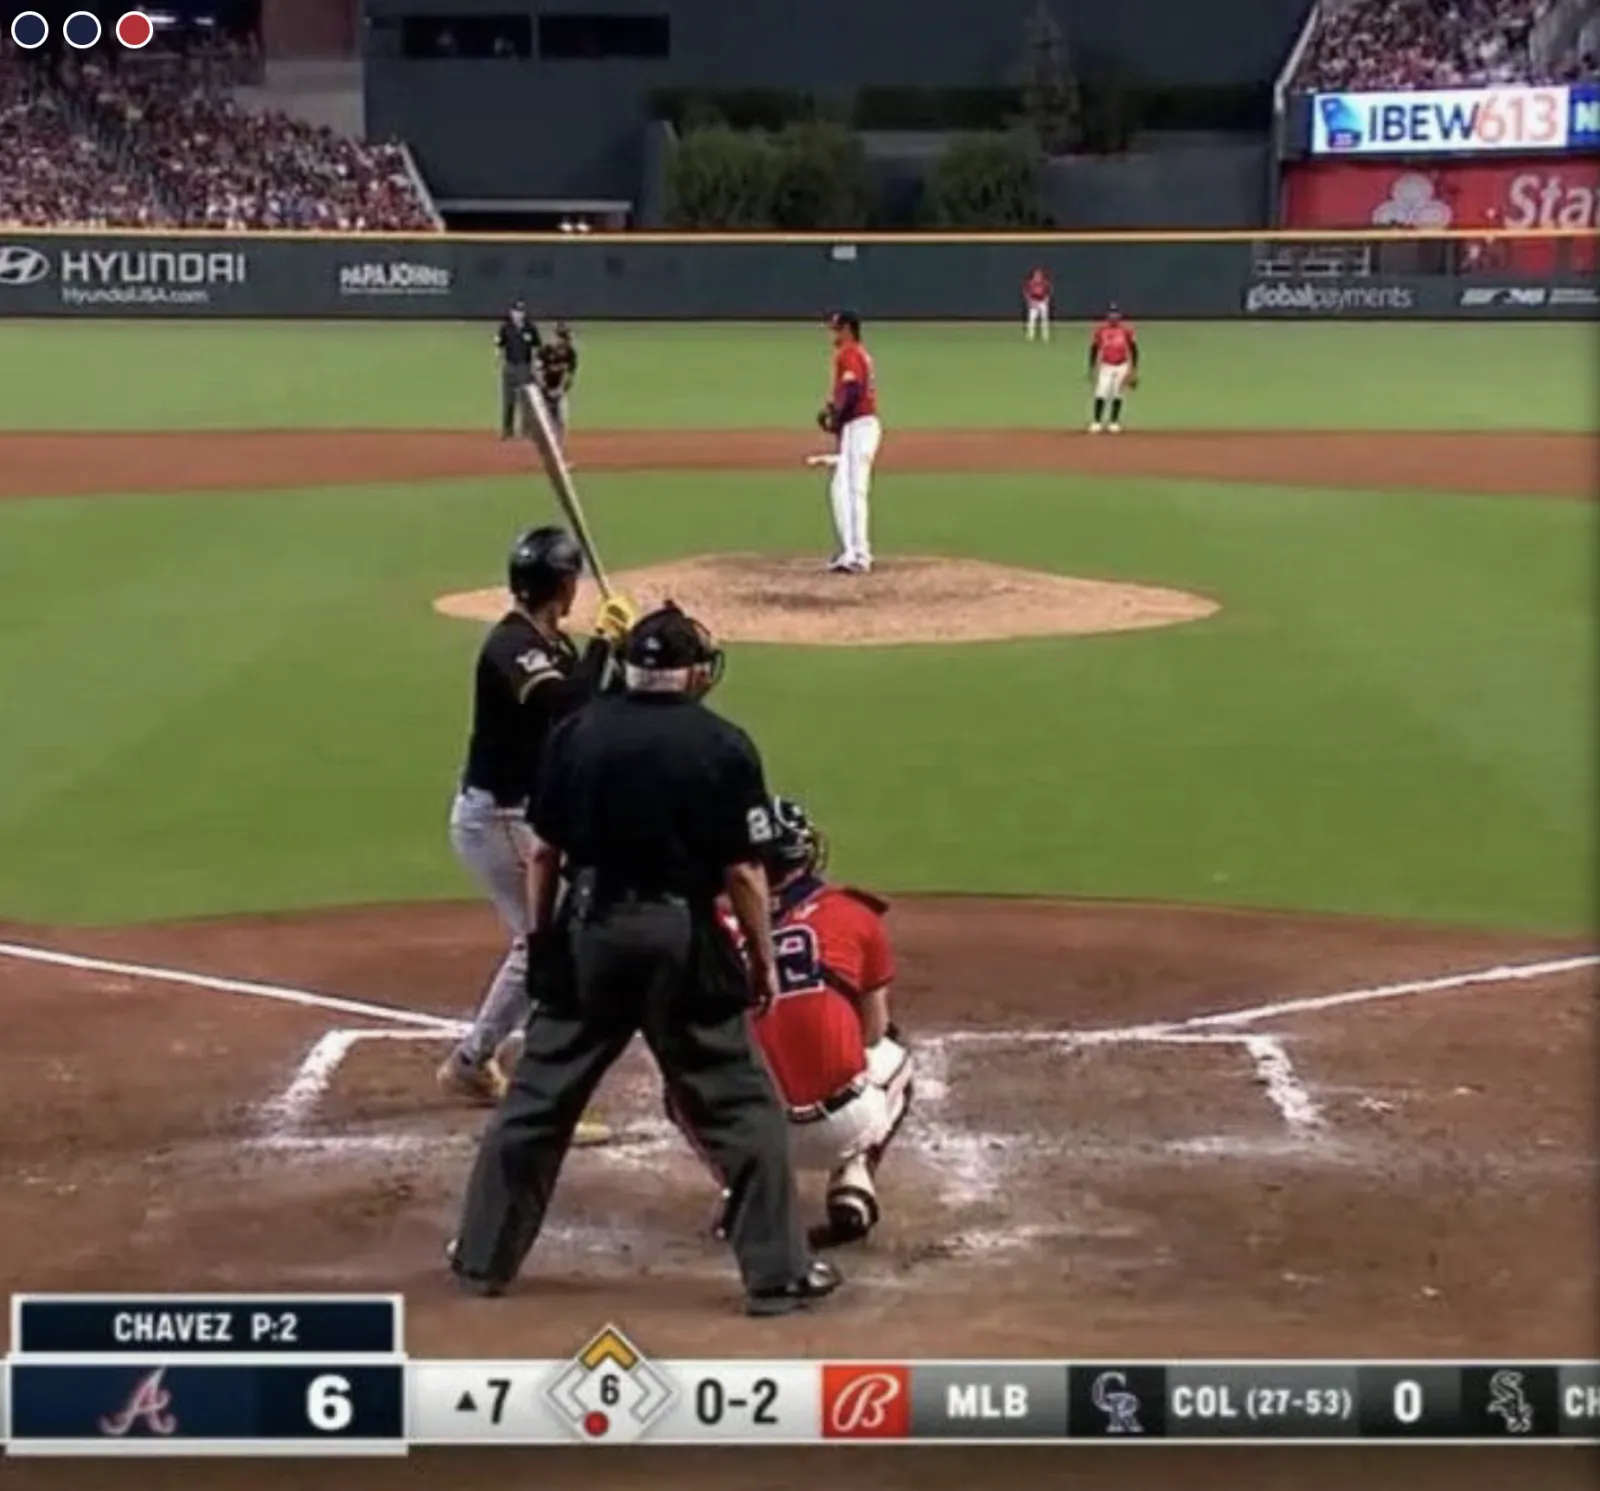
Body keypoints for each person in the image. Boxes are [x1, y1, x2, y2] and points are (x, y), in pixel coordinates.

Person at [448, 605, 840, 1316]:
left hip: (590, 928)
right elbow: (745, 872)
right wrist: (758, 956)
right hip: (681, 936)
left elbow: (544, 852)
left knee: (539, 1099)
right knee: (741, 1103)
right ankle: (777, 1273)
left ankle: (481, 1258)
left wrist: (542, 943)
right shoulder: (722, 743)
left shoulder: (576, 732)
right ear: (691, 671)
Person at [436, 526, 635, 1130]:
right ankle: (541, 1100)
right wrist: (603, 642)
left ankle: (473, 1061)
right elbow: (564, 705)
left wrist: (626, 656)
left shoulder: (550, 646)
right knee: (548, 948)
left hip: (532, 816)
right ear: (563, 585)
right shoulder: (512, 647)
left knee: (551, 941)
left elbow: (592, 713)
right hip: (498, 818)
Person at [679, 798, 913, 1250]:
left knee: (683, 1079)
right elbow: (873, 1029)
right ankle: (853, 1179)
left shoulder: (709, 925)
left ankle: (740, 1190)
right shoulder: (853, 913)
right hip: (842, 1124)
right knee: (893, 1053)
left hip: (749, 1128)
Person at [816, 310, 882, 576]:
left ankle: (858, 555)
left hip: (860, 425)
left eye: (836, 329)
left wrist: (837, 416)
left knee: (853, 490)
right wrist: (834, 409)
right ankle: (850, 550)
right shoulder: (856, 352)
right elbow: (850, 389)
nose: (833, 335)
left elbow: (853, 389)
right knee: (841, 488)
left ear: (848, 329)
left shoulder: (849, 352)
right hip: (858, 426)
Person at [1087, 304, 1138, 433]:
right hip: (1106, 366)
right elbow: (1094, 348)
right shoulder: (1101, 330)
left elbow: (1133, 349)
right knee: (1101, 392)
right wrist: (1092, 366)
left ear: (1120, 316)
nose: (1113, 316)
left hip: (1122, 365)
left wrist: (1133, 369)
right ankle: (1097, 422)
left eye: (1116, 314)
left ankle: (1114, 422)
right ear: (1107, 316)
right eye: (1111, 314)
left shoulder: (1126, 330)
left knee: (1117, 393)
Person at [496, 300, 540, 439]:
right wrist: (498, 359)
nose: (518, 314)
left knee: (525, 400)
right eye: (516, 311)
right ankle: (507, 430)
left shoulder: (530, 328)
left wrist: (535, 366)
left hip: (524, 366)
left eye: (521, 312)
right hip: (509, 365)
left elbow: (536, 347)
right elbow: (499, 345)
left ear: (524, 313)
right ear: (511, 312)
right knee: (508, 400)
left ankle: (525, 431)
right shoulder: (505, 328)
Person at [533, 322, 579, 449]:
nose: (566, 341)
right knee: (547, 423)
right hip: (543, 392)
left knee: (562, 422)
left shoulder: (570, 353)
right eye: (563, 337)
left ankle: (559, 452)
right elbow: (537, 372)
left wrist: (560, 390)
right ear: (557, 337)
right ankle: (547, 450)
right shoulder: (544, 351)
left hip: (560, 392)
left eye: (567, 338)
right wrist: (545, 390)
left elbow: (569, 375)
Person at [1024, 266, 1053, 342]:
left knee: (1044, 320)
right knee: (1031, 320)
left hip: (1042, 302)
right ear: (1033, 276)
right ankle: (1030, 336)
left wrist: (1046, 300)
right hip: (1034, 302)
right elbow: (1026, 293)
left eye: (1039, 275)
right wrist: (1030, 302)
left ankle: (1045, 336)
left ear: (1041, 276)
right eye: (1036, 275)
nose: (1037, 276)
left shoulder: (1045, 283)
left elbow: (1049, 292)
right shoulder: (1030, 283)